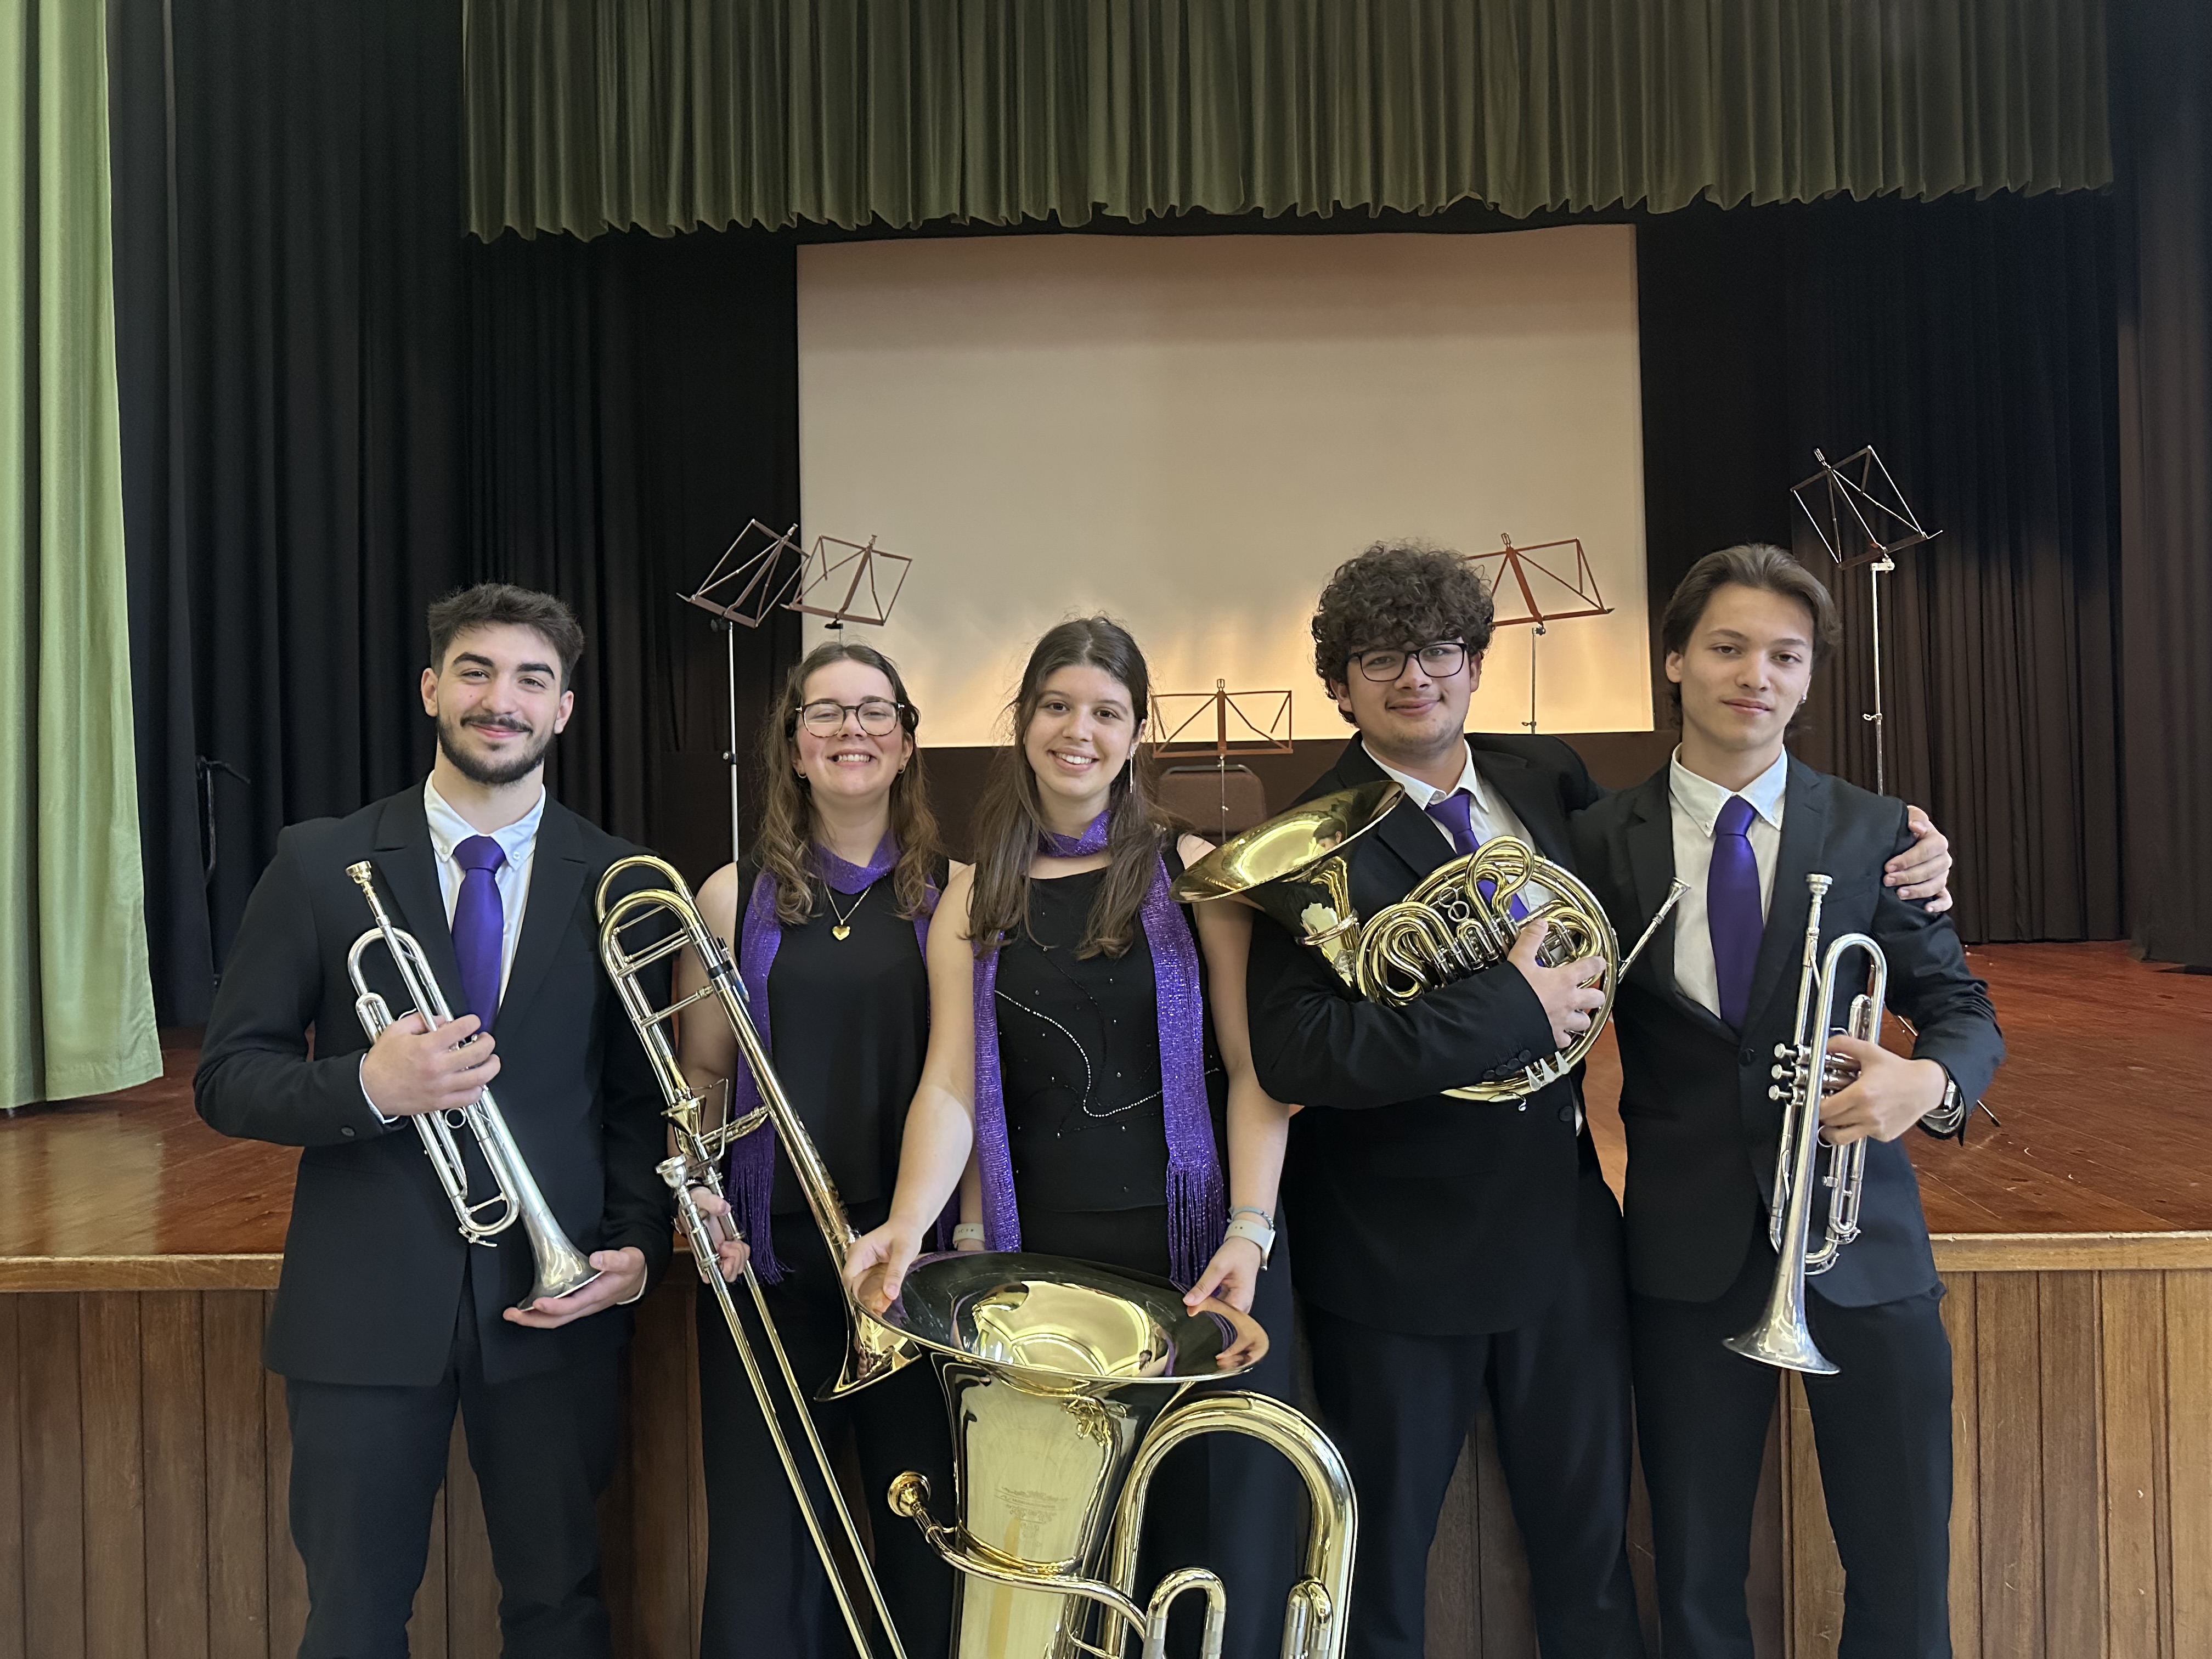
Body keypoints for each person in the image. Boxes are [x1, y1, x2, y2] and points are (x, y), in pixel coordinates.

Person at [1242, 542, 1955, 1659]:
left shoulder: (1548, 785)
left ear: (1476, 663)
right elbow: (1298, 1054)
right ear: (1339, 683)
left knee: (1595, 1567)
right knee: (1379, 1573)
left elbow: (1932, 986)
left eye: (1439, 652)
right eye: (1380, 659)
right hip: (1396, 1254)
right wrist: (1511, 1011)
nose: (1415, 679)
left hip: (1566, 1247)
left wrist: (1919, 893)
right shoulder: (1297, 848)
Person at [195, 584, 670, 1659]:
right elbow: (229, 1079)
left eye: (530, 680)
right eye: (476, 671)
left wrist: (639, 1247)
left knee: (562, 1609)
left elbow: (640, 1108)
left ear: (564, 712)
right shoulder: (321, 863)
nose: (501, 700)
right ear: (430, 689)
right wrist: (370, 1086)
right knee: (353, 1618)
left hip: (557, 1315)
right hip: (363, 1311)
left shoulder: (622, 882)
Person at [1569, 544, 2001, 1658]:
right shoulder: (1594, 842)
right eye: (1726, 646)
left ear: (1809, 681)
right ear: (1673, 660)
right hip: (1686, 1257)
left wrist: (1929, 1084)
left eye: (1784, 655)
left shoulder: (1876, 831)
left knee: (1903, 1573)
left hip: (1864, 1254)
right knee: (1701, 1579)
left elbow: (1962, 1007)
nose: (1753, 673)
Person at [843, 616, 1300, 1659]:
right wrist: (911, 1223)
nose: (1078, 731)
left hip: (1187, 1263)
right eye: (1058, 706)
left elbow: (1257, 1073)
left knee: (1196, 1548)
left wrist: (1250, 1230)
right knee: (1061, 1571)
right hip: (1036, 1272)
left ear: (1139, 730)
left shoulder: (1197, 874)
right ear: (1024, 721)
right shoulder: (976, 887)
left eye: (1106, 711)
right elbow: (949, 1083)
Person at [673, 639, 956, 1659]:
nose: (851, 731)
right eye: (825, 715)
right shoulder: (724, 896)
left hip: (911, 1266)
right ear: (792, 747)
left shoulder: (953, 894)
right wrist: (697, 1191)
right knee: (763, 1543)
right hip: (768, 1259)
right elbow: (700, 1078)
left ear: (908, 740)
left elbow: (964, 1084)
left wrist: (928, 1233)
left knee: (921, 1532)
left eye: (874, 712)